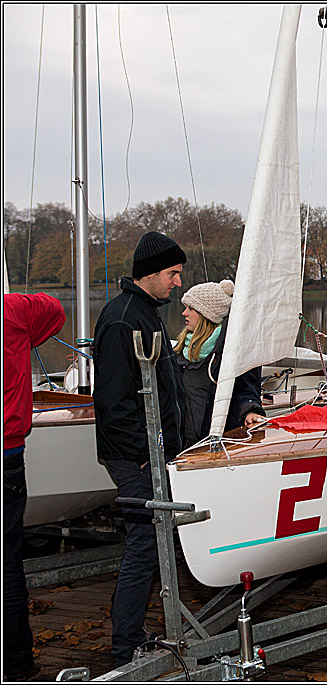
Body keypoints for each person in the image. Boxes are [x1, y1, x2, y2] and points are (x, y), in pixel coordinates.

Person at [92, 231, 187, 666]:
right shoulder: (122, 319)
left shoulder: (145, 313)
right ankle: (124, 645)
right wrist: (145, 454)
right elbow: (113, 401)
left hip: (152, 450)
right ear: (150, 273)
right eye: (173, 273)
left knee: (152, 541)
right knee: (145, 543)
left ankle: (132, 632)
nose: (177, 283)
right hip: (134, 455)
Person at [3, 292, 66, 681]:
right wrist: (24, 337)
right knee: (7, 565)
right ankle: (16, 665)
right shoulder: (13, 310)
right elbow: (55, 311)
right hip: (7, 453)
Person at [173, 279, 264, 447]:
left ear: (206, 314)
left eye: (190, 308)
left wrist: (250, 410)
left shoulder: (233, 352)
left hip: (219, 445)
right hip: (184, 446)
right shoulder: (179, 351)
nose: (184, 313)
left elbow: (246, 388)